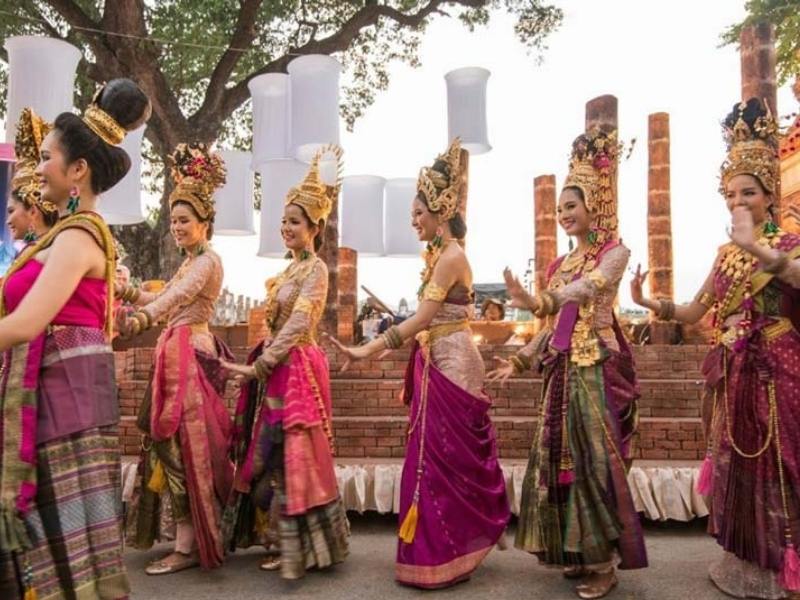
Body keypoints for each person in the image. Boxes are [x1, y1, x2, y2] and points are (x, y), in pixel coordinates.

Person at [631, 98, 800, 600]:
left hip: (779, 365)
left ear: (769, 196)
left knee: (783, 461)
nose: (738, 202)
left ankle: (786, 566)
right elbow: (695, 309)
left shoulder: (786, 243)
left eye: (748, 192)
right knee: (737, 464)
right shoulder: (726, 252)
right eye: (730, 194)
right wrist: (648, 302)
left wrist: (757, 249)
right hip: (733, 370)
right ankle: (747, 562)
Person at [328, 139, 510, 589]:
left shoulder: (451, 257)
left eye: (418, 214)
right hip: (436, 361)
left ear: (441, 209)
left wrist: (368, 350)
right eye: (412, 215)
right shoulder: (438, 256)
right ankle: (443, 548)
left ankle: (452, 548)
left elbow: (425, 318)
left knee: (446, 459)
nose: (413, 222)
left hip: (454, 364)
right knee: (431, 457)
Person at [0, 78, 150, 600]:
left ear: (77, 170)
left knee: (62, 544)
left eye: (46, 156)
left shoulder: (80, 235)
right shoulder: (65, 235)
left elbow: (25, 324)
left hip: (63, 406)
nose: (38, 166)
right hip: (55, 397)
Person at [489, 129, 647, 599]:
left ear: (593, 204)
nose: (563, 215)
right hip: (561, 373)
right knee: (558, 463)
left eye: (570, 206)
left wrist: (542, 298)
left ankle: (604, 561)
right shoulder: (559, 263)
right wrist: (518, 362)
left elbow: (590, 289)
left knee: (592, 462)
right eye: (559, 208)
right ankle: (577, 552)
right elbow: (550, 326)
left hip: (594, 369)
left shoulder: (615, 254)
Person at [225, 146, 349, 579]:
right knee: (267, 455)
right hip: (278, 367)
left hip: (297, 369)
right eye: (282, 222)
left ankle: (295, 545)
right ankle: (281, 537)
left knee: (289, 453)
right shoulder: (287, 272)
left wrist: (261, 364)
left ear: (314, 227)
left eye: (294, 222)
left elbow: (299, 322)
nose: (286, 229)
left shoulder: (315, 271)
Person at [117, 143, 234, 575]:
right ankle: (186, 537)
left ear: (204, 223)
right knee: (169, 447)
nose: (177, 226)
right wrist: (129, 294)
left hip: (190, 355)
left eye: (185, 220)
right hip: (175, 351)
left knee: (184, 449)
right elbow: (165, 293)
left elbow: (177, 298)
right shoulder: (189, 262)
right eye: (173, 220)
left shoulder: (208, 262)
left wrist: (145, 314)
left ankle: (188, 546)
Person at [6, 108, 59, 247]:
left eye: (11, 211)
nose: (8, 220)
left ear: (33, 211)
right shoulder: (44, 248)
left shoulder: (49, 252)